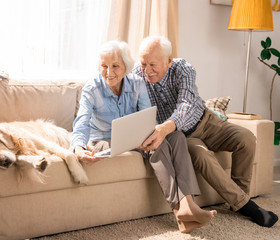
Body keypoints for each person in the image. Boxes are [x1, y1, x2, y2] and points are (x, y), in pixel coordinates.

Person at [71, 40, 216, 233]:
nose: (109, 72)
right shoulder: (92, 89)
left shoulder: (137, 84)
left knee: (176, 137)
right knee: (158, 145)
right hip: (104, 141)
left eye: (115, 66)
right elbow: (81, 122)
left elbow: (148, 117)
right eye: (104, 66)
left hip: (134, 137)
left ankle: (187, 205)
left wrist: (146, 135)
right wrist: (79, 148)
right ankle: (180, 210)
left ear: (126, 67)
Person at [134, 35, 278, 228]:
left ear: (169, 61)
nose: (146, 70)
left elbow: (186, 104)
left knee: (246, 138)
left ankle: (239, 198)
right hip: (183, 136)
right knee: (202, 156)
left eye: (152, 64)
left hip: (207, 122)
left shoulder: (183, 69)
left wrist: (164, 127)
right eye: (143, 63)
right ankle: (247, 206)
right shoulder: (136, 77)